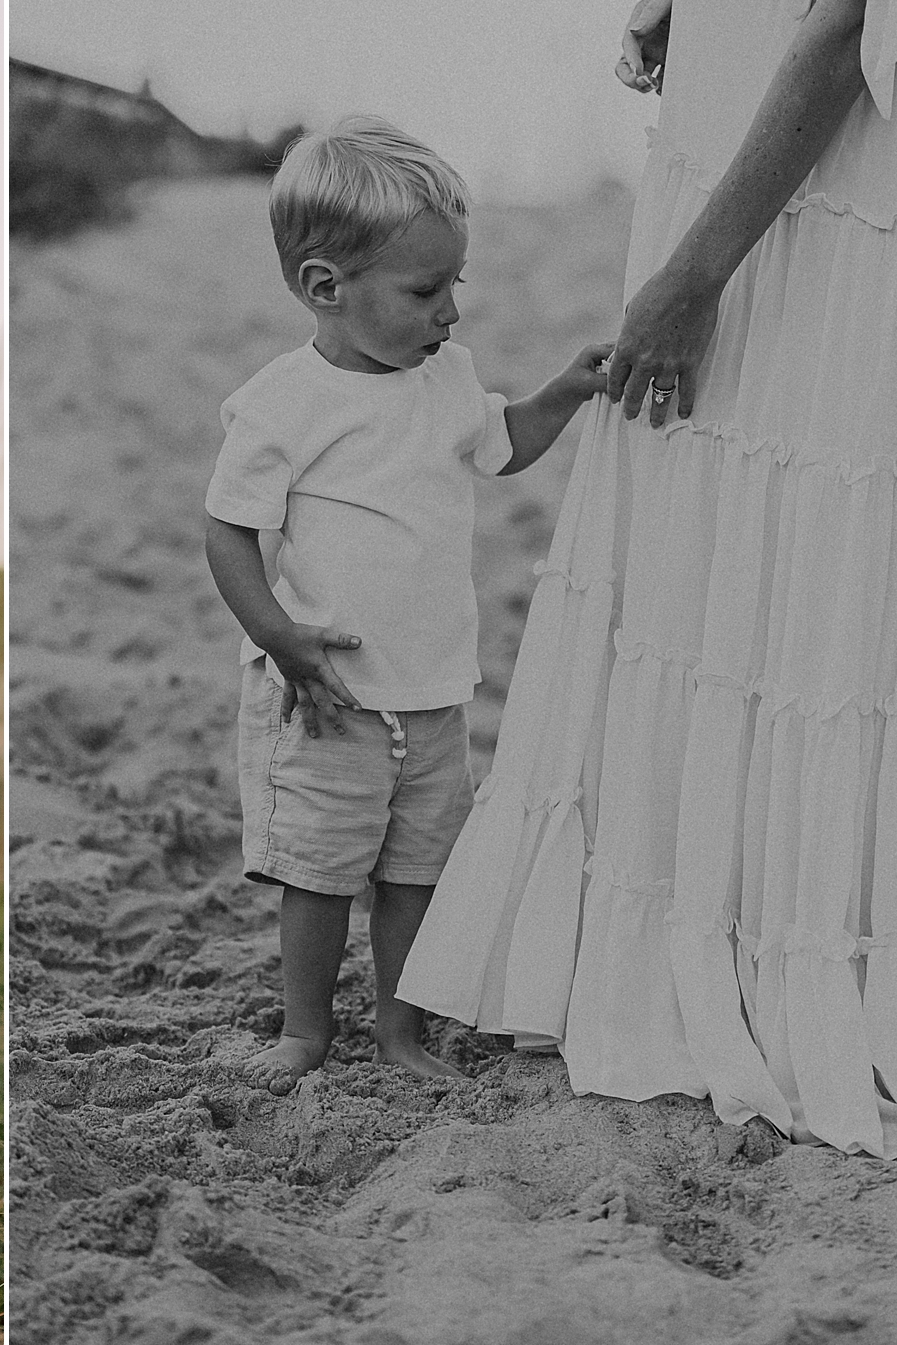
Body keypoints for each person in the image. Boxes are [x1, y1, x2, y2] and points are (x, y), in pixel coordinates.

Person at [398, 0, 897, 1159]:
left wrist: (694, 274)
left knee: (832, 529)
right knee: (722, 526)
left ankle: (813, 950)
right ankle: (707, 910)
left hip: (859, 186)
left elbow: (869, 5)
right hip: (760, 129)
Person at [203, 118, 608, 1093]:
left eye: (453, 284)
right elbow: (227, 530)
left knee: (416, 865)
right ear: (323, 288)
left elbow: (500, 442)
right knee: (319, 868)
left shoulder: (447, 380)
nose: (449, 312)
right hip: (330, 691)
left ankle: (397, 1026)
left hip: (431, 690)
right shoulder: (282, 402)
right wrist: (279, 638)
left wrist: (561, 392)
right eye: (426, 291)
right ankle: (305, 1027)